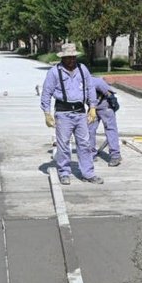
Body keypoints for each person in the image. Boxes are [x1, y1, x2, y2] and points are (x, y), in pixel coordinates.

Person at [40, 43, 102, 185]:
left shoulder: (82, 69)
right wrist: (46, 113)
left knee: (84, 144)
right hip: (63, 113)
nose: (71, 60)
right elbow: (46, 92)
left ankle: (88, 173)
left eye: (73, 57)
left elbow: (90, 88)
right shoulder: (54, 72)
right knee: (63, 145)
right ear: (63, 58)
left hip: (80, 113)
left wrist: (92, 107)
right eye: (68, 58)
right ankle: (64, 172)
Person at [88, 76, 122, 167]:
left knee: (110, 128)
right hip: (92, 108)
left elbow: (108, 92)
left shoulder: (94, 81)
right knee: (89, 129)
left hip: (104, 104)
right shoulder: (74, 83)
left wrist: (112, 101)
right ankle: (91, 154)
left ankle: (115, 155)